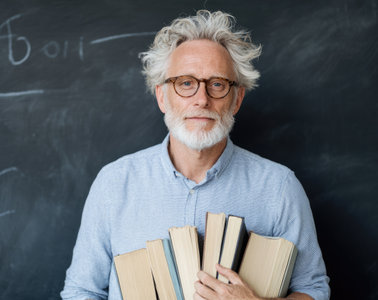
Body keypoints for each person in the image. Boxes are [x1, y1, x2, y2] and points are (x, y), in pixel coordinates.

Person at [61, 10, 330, 300]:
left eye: (217, 84)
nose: (202, 99)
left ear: (236, 99)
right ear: (163, 96)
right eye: (186, 83)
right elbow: (82, 291)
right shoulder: (114, 183)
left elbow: (313, 289)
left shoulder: (279, 187)